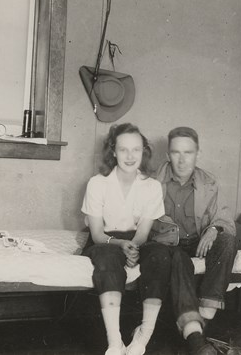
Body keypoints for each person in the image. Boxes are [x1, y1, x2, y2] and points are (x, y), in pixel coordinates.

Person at [81, 123, 170, 355]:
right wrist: (121, 245)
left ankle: (143, 335)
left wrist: (134, 248)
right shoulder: (97, 183)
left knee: (160, 255)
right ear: (113, 151)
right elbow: (97, 234)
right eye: (123, 150)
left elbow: (142, 233)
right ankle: (115, 342)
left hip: (137, 240)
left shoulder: (152, 186)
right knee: (108, 258)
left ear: (144, 152)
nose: (130, 156)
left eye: (136, 150)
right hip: (105, 242)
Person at [154, 127, 237, 355]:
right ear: (168, 154)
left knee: (227, 241)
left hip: (199, 241)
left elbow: (225, 219)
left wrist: (213, 229)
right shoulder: (152, 181)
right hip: (169, 244)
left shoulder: (209, 181)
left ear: (197, 153)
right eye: (175, 153)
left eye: (188, 153)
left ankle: (203, 319)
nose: (181, 160)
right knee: (179, 260)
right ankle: (197, 341)